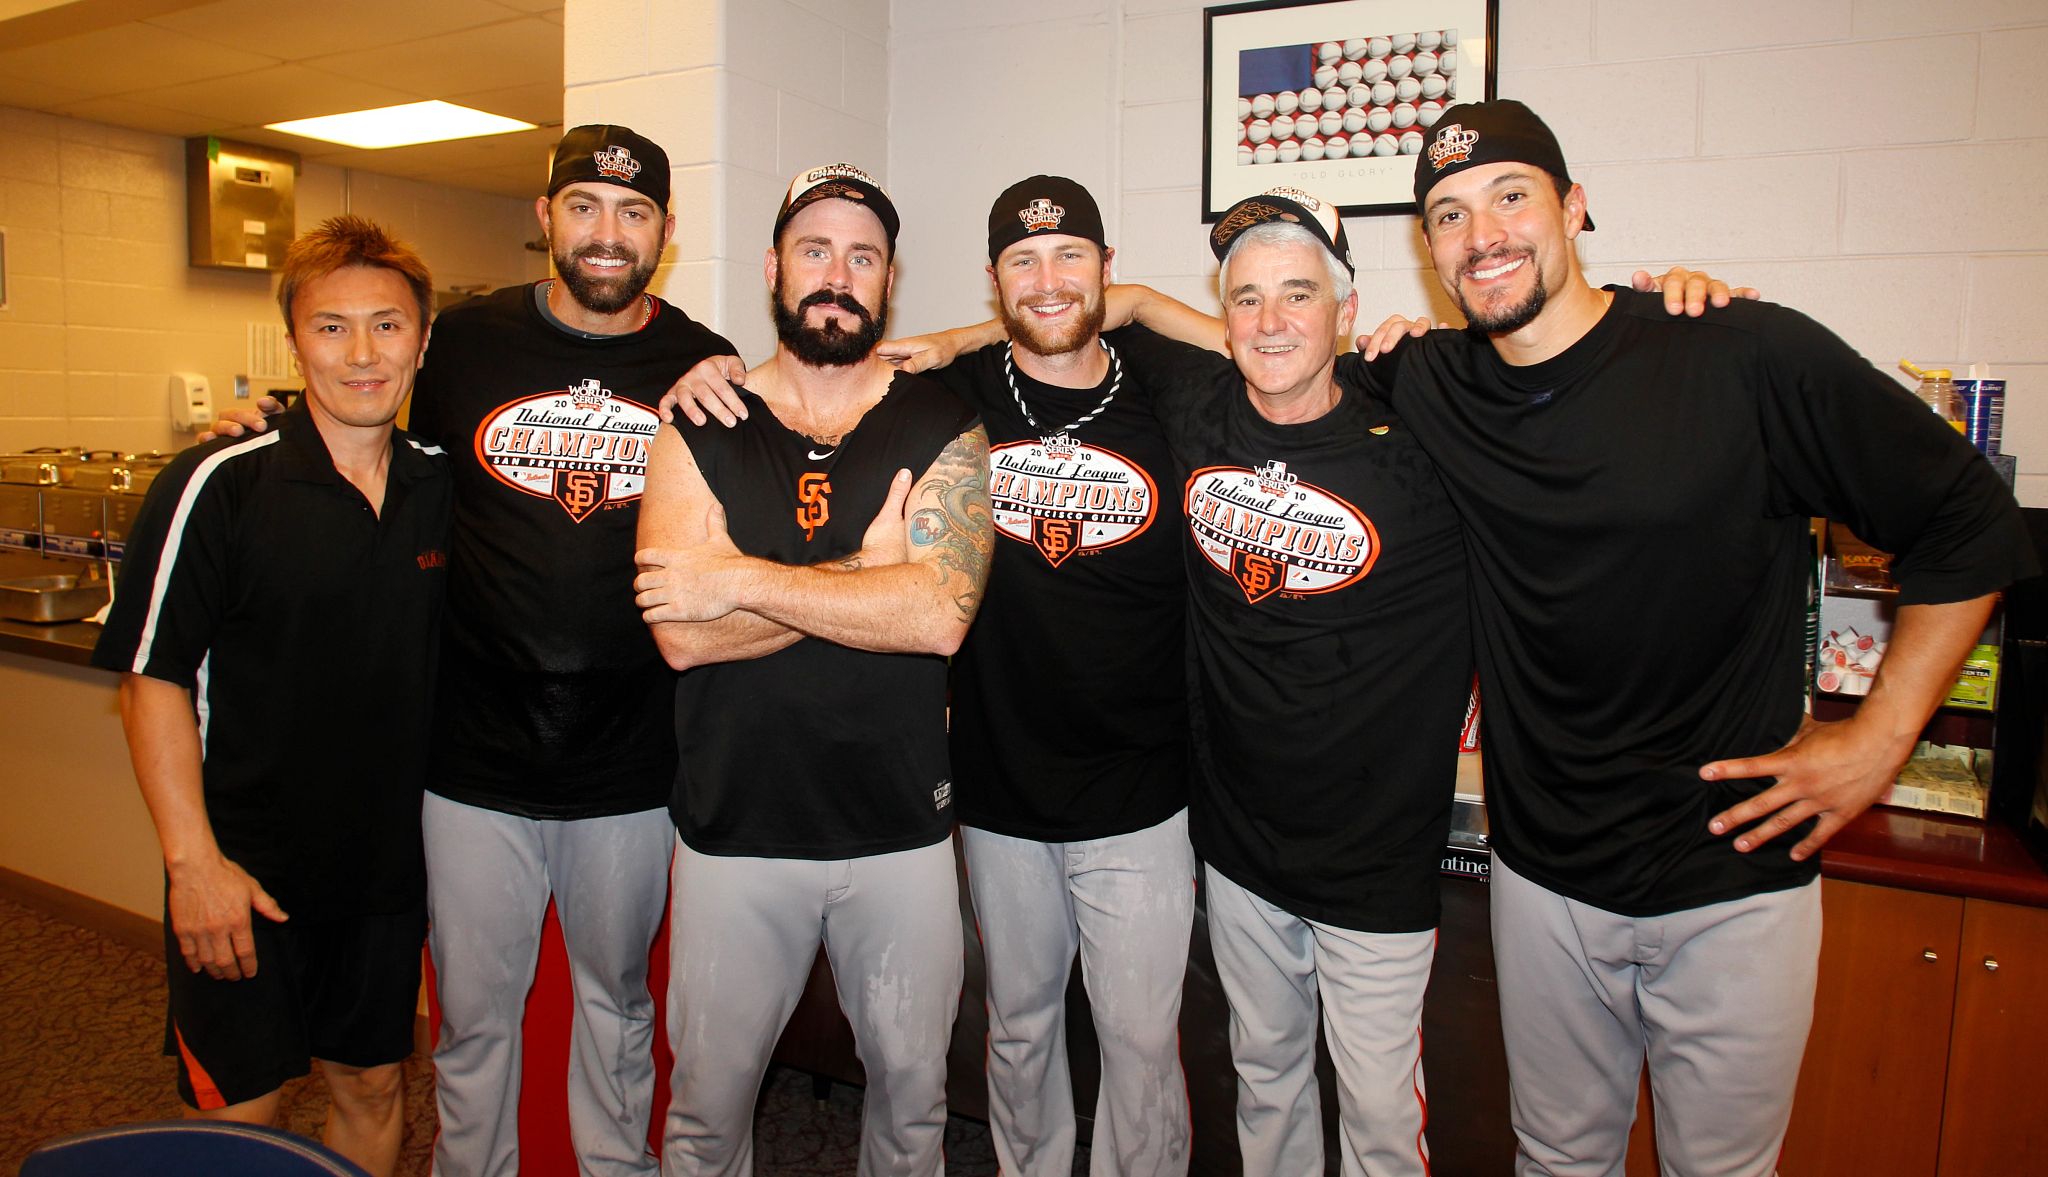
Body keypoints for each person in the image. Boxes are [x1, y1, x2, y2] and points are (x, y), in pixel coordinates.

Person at [1384, 100, 2035, 1177]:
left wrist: (1874, 742)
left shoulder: (1738, 351)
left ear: (1573, 208)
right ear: (1429, 250)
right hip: (1545, 881)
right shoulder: (1432, 381)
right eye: (1447, 214)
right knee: (1551, 1158)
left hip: (1732, 879)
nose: (1482, 232)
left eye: (1510, 196)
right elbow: (1269, 347)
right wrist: (1110, 299)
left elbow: (1969, 520)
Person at [211, 124, 740, 1177]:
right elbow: (365, 406)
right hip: (469, 767)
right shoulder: (462, 340)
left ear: (665, 234)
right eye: (583, 207)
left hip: (629, 766)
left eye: (633, 214)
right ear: (544, 217)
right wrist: (262, 421)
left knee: (617, 1009)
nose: (605, 233)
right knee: (472, 1023)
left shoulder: (697, 361)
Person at [673, 175, 1196, 1177]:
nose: (1048, 281)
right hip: (996, 786)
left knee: (1137, 1047)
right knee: (1017, 1032)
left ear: (1106, 267)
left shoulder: (1163, 385)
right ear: (992, 282)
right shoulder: (958, 399)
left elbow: (930, 609)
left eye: (1070, 257)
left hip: (1139, 789)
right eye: (1021, 262)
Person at [631, 163, 993, 1177]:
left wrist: (742, 580)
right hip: (733, 832)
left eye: (862, 256)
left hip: (899, 836)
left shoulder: (941, 422)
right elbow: (682, 636)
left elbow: (936, 618)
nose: (837, 274)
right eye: (815, 250)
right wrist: (865, 577)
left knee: (912, 1108)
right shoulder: (696, 422)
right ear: (773, 268)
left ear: (888, 280)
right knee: (704, 1115)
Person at [93, 215, 450, 1177]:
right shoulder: (217, 482)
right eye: (332, 327)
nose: (363, 353)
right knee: (237, 1123)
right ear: (294, 340)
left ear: (422, 338)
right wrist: (191, 865)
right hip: (243, 876)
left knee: (373, 1091)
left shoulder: (444, 488)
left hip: (384, 878)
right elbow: (152, 678)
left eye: (388, 324)